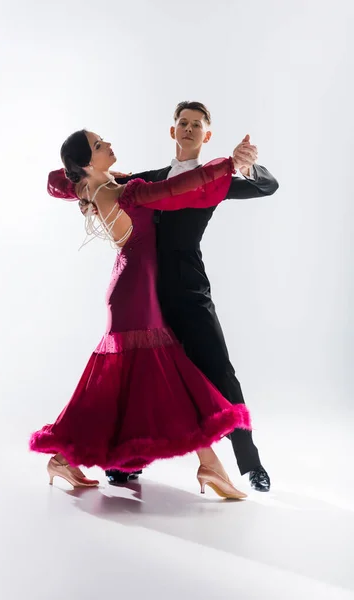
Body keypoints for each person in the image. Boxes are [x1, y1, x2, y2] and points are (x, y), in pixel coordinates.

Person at [29, 128, 256, 499]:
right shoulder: (123, 192)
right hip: (135, 292)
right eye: (101, 146)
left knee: (124, 382)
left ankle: (64, 457)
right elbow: (178, 188)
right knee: (164, 374)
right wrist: (228, 164)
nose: (110, 145)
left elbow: (59, 180)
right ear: (88, 161)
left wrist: (99, 173)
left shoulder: (92, 187)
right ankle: (209, 463)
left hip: (129, 288)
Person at [81, 102, 279, 491]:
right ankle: (124, 463)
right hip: (143, 294)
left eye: (197, 125)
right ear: (173, 132)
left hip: (189, 292)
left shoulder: (215, 180)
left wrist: (247, 164)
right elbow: (90, 185)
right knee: (140, 378)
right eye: (182, 123)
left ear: (207, 136)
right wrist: (83, 176)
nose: (188, 129)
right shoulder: (147, 179)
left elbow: (266, 186)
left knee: (220, 370)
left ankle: (250, 462)